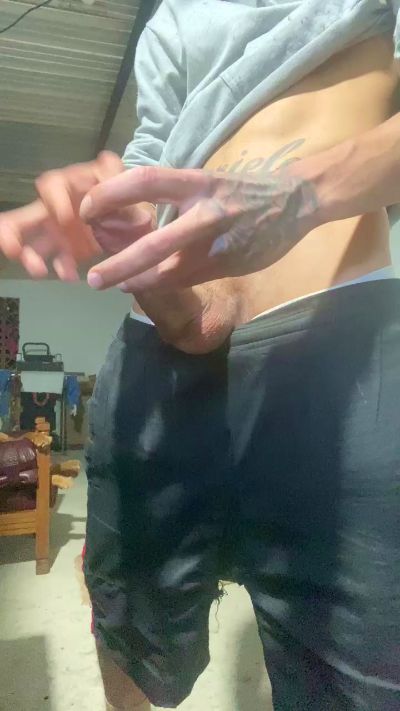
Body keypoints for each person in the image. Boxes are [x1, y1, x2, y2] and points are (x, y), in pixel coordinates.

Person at [1, 1, 400, 708]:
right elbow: (153, 167)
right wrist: (114, 218)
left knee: (360, 673)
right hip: (157, 350)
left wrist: (305, 192)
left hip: (339, 351)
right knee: (126, 621)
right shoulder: (170, 22)